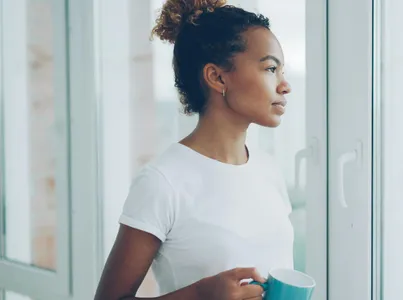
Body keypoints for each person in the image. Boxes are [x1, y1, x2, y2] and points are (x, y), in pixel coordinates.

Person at [94, 0, 294, 299]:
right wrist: (200, 295)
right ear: (217, 77)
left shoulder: (269, 170)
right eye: (270, 68)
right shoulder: (163, 182)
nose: (285, 85)